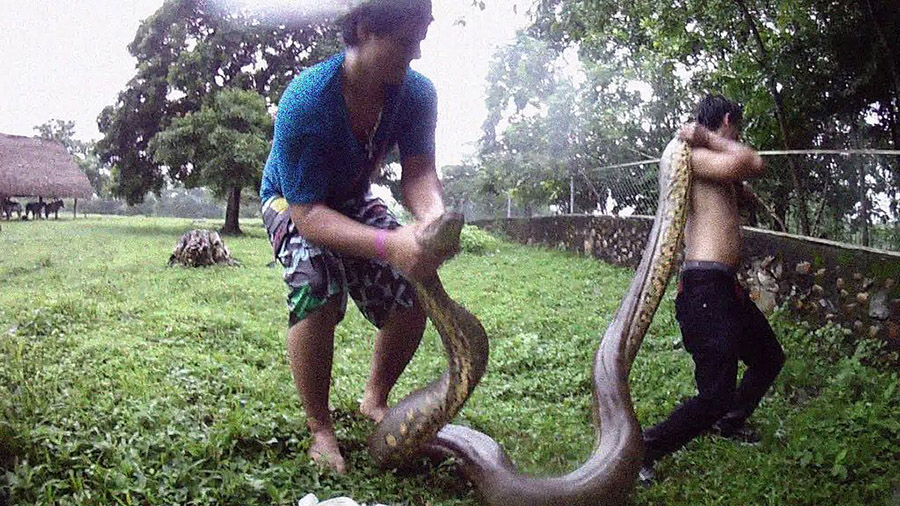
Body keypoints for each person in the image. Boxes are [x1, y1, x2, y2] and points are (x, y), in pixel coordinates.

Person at [259, 0, 446, 474]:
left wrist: (430, 219)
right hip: (293, 200)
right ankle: (321, 429)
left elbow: (419, 171)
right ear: (364, 28)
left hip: (351, 196)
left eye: (422, 38)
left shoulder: (417, 94)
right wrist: (390, 244)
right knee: (316, 284)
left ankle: (374, 400)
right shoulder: (305, 100)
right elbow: (308, 217)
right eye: (407, 41)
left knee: (412, 289)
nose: (418, 53)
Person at [640, 95, 786, 483]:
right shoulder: (694, 157)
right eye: (735, 129)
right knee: (714, 394)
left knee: (769, 357)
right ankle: (644, 449)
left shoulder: (711, 167)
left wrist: (739, 192)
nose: (736, 137)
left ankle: (729, 423)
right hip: (705, 290)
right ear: (727, 120)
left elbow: (736, 178)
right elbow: (753, 161)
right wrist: (709, 137)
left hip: (724, 288)